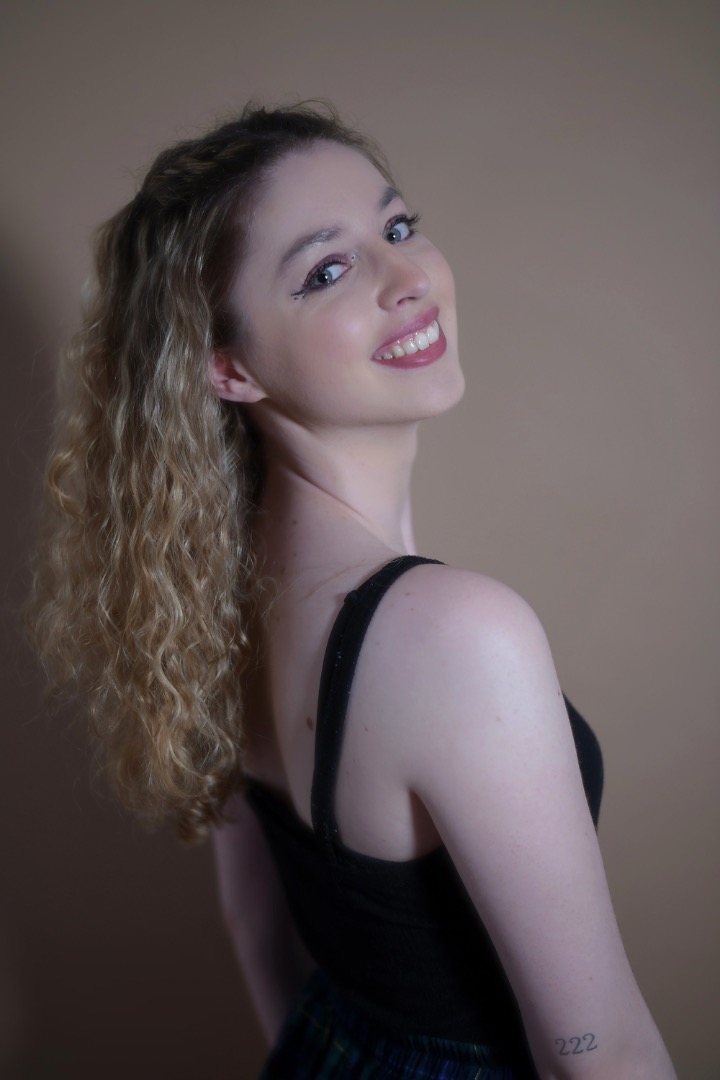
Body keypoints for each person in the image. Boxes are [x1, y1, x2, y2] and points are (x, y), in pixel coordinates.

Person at [27, 103, 676, 1079]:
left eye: (399, 227)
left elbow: (256, 929)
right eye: (328, 270)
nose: (408, 278)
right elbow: (602, 1054)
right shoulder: (457, 635)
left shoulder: (208, 597)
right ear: (228, 368)